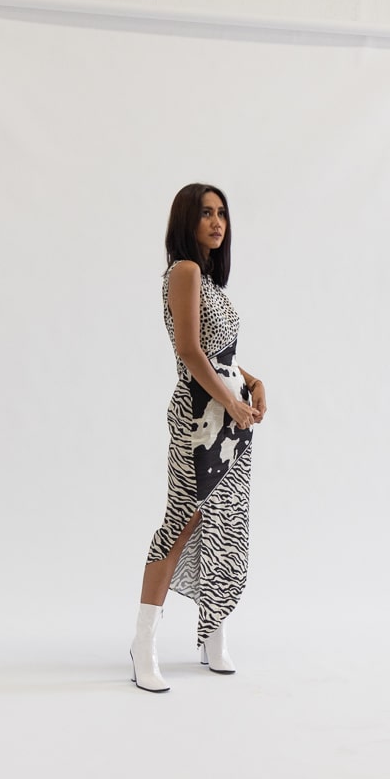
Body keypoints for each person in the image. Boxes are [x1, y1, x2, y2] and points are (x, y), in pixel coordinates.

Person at [129, 183, 266, 694]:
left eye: (222, 214)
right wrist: (230, 400)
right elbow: (189, 351)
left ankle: (212, 631)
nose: (216, 222)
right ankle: (144, 642)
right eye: (206, 213)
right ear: (186, 221)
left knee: (224, 523)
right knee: (183, 520)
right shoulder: (184, 272)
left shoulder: (210, 282)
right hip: (199, 415)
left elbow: (221, 355)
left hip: (230, 418)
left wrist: (252, 381)